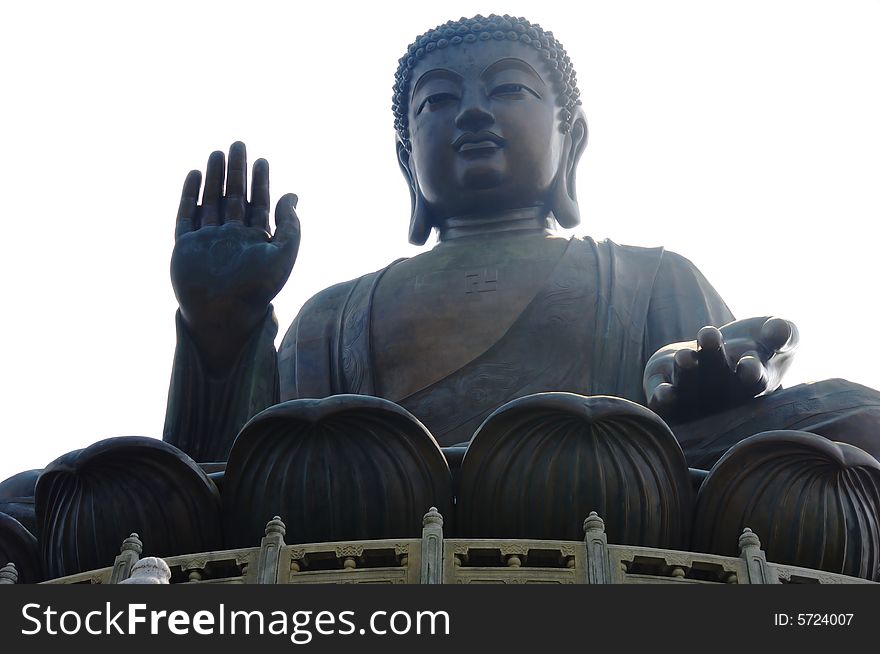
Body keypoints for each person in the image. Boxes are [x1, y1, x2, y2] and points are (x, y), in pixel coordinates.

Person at [165, 14, 880, 470]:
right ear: (407, 159)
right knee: (66, 491)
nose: (473, 110)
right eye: (439, 100)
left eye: (509, 91)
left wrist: (718, 378)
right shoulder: (332, 315)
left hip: (607, 496)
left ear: (572, 138)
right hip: (372, 516)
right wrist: (221, 335)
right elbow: (223, 482)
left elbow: (742, 389)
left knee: (859, 416)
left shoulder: (648, 278)